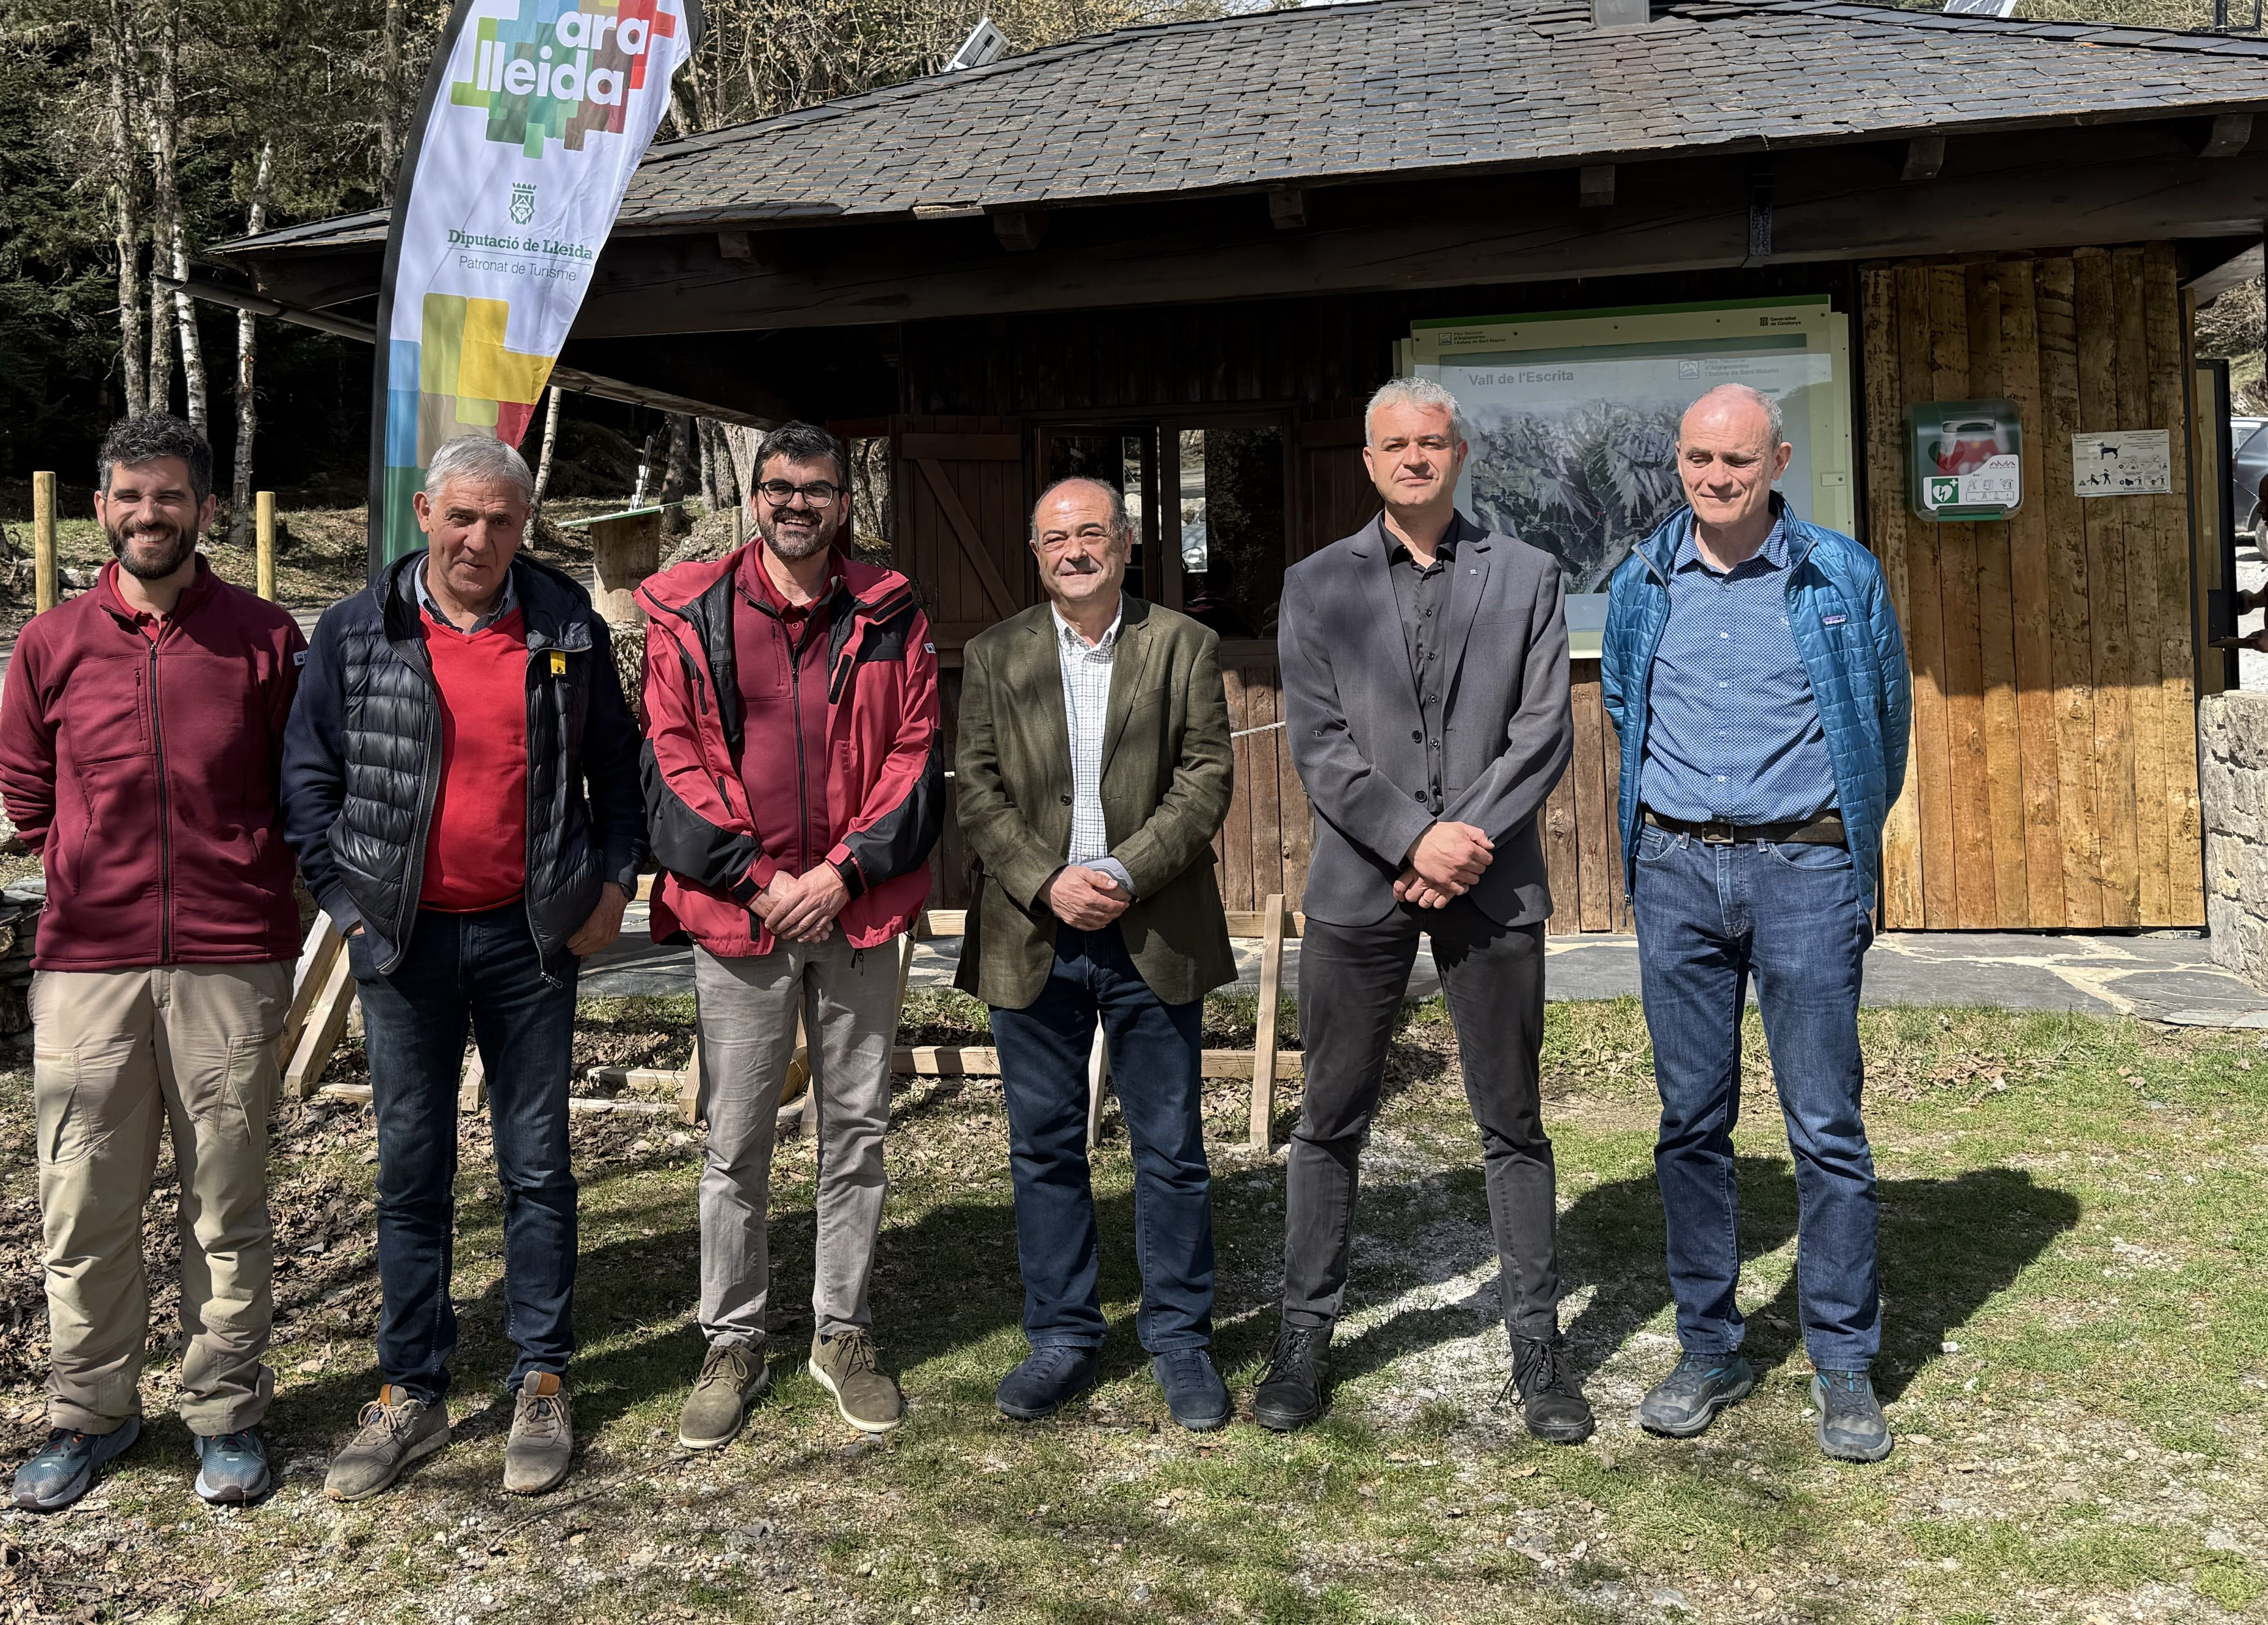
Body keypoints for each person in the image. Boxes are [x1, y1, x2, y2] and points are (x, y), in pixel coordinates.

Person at [284, 432, 645, 1500]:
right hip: (404, 943)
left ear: (524, 525)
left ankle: (542, 1379)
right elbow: (307, 779)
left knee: (536, 1164)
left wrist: (613, 887)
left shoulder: (567, 625)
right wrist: (347, 908)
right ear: (424, 515)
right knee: (412, 1169)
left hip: (531, 940)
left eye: (501, 520)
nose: (480, 539)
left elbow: (618, 769)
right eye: (462, 517)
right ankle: (412, 1389)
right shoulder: (358, 629)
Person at [1261, 378, 1589, 1443]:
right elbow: (1319, 745)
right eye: (1395, 444)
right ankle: (1304, 1336)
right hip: (1361, 883)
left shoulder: (1530, 575)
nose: (1415, 458)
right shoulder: (1317, 584)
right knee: (1328, 1121)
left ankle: (1538, 1348)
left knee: (1514, 1124)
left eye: (1432, 442)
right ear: (1369, 462)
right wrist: (1413, 840)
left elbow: (1542, 731)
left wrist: (1460, 843)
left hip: (1491, 883)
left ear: (1461, 453)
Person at [0, 414, 308, 1512]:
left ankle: (224, 1412)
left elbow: (302, 784)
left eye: (169, 495)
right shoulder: (53, 643)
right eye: (129, 496)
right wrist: (86, 865)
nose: (148, 514)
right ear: (100, 510)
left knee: (227, 1204)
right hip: (90, 966)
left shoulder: (265, 639)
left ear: (205, 509)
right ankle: (92, 1412)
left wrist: (259, 886)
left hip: (231, 961)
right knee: (83, 1203)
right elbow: (24, 782)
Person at [1599, 383, 1910, 1464]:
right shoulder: (1643, 579)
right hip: (1677, 872)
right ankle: (1709, 1346)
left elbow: (1882, 725)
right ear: (1678, 460)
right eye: (1698, 458)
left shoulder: (1839, 575)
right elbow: (1626, 707)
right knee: (1691, 1122)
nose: (1715, 478)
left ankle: (1843, 1361)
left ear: (1778, 461)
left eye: (1737, 460)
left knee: (1824, 1124)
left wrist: (1831, 841)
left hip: (1804, 873)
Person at [640, 422, 944, 1449]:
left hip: (855, 910)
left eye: (815, 488)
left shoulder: (891, 611)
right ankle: (732, 1339)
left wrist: (842, 873)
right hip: (742, 915)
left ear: (844, 501)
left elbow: (916, 754)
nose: (796, 503)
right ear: (753, 496)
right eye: (779, 486)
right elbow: (672, 761)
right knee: (737, 1140)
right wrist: (763, 881)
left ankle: (841, 1331)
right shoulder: (692, 613)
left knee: (856, 1131)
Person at [954, 476, 1237, 1431]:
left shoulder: (1182, 644)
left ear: (1125, 543)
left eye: (1091, 534)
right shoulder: (995, 655)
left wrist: (1119, 871)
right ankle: (1062, 1337)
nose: (1074, 551)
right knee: (1044, 1148)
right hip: (1032, 932)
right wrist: (1049, 880)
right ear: (1037, 555)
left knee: (1171, 1149)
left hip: (1151, 926)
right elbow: (977, 789)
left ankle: (1180, 1339)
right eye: (1055, 539)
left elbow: (1205, 779)